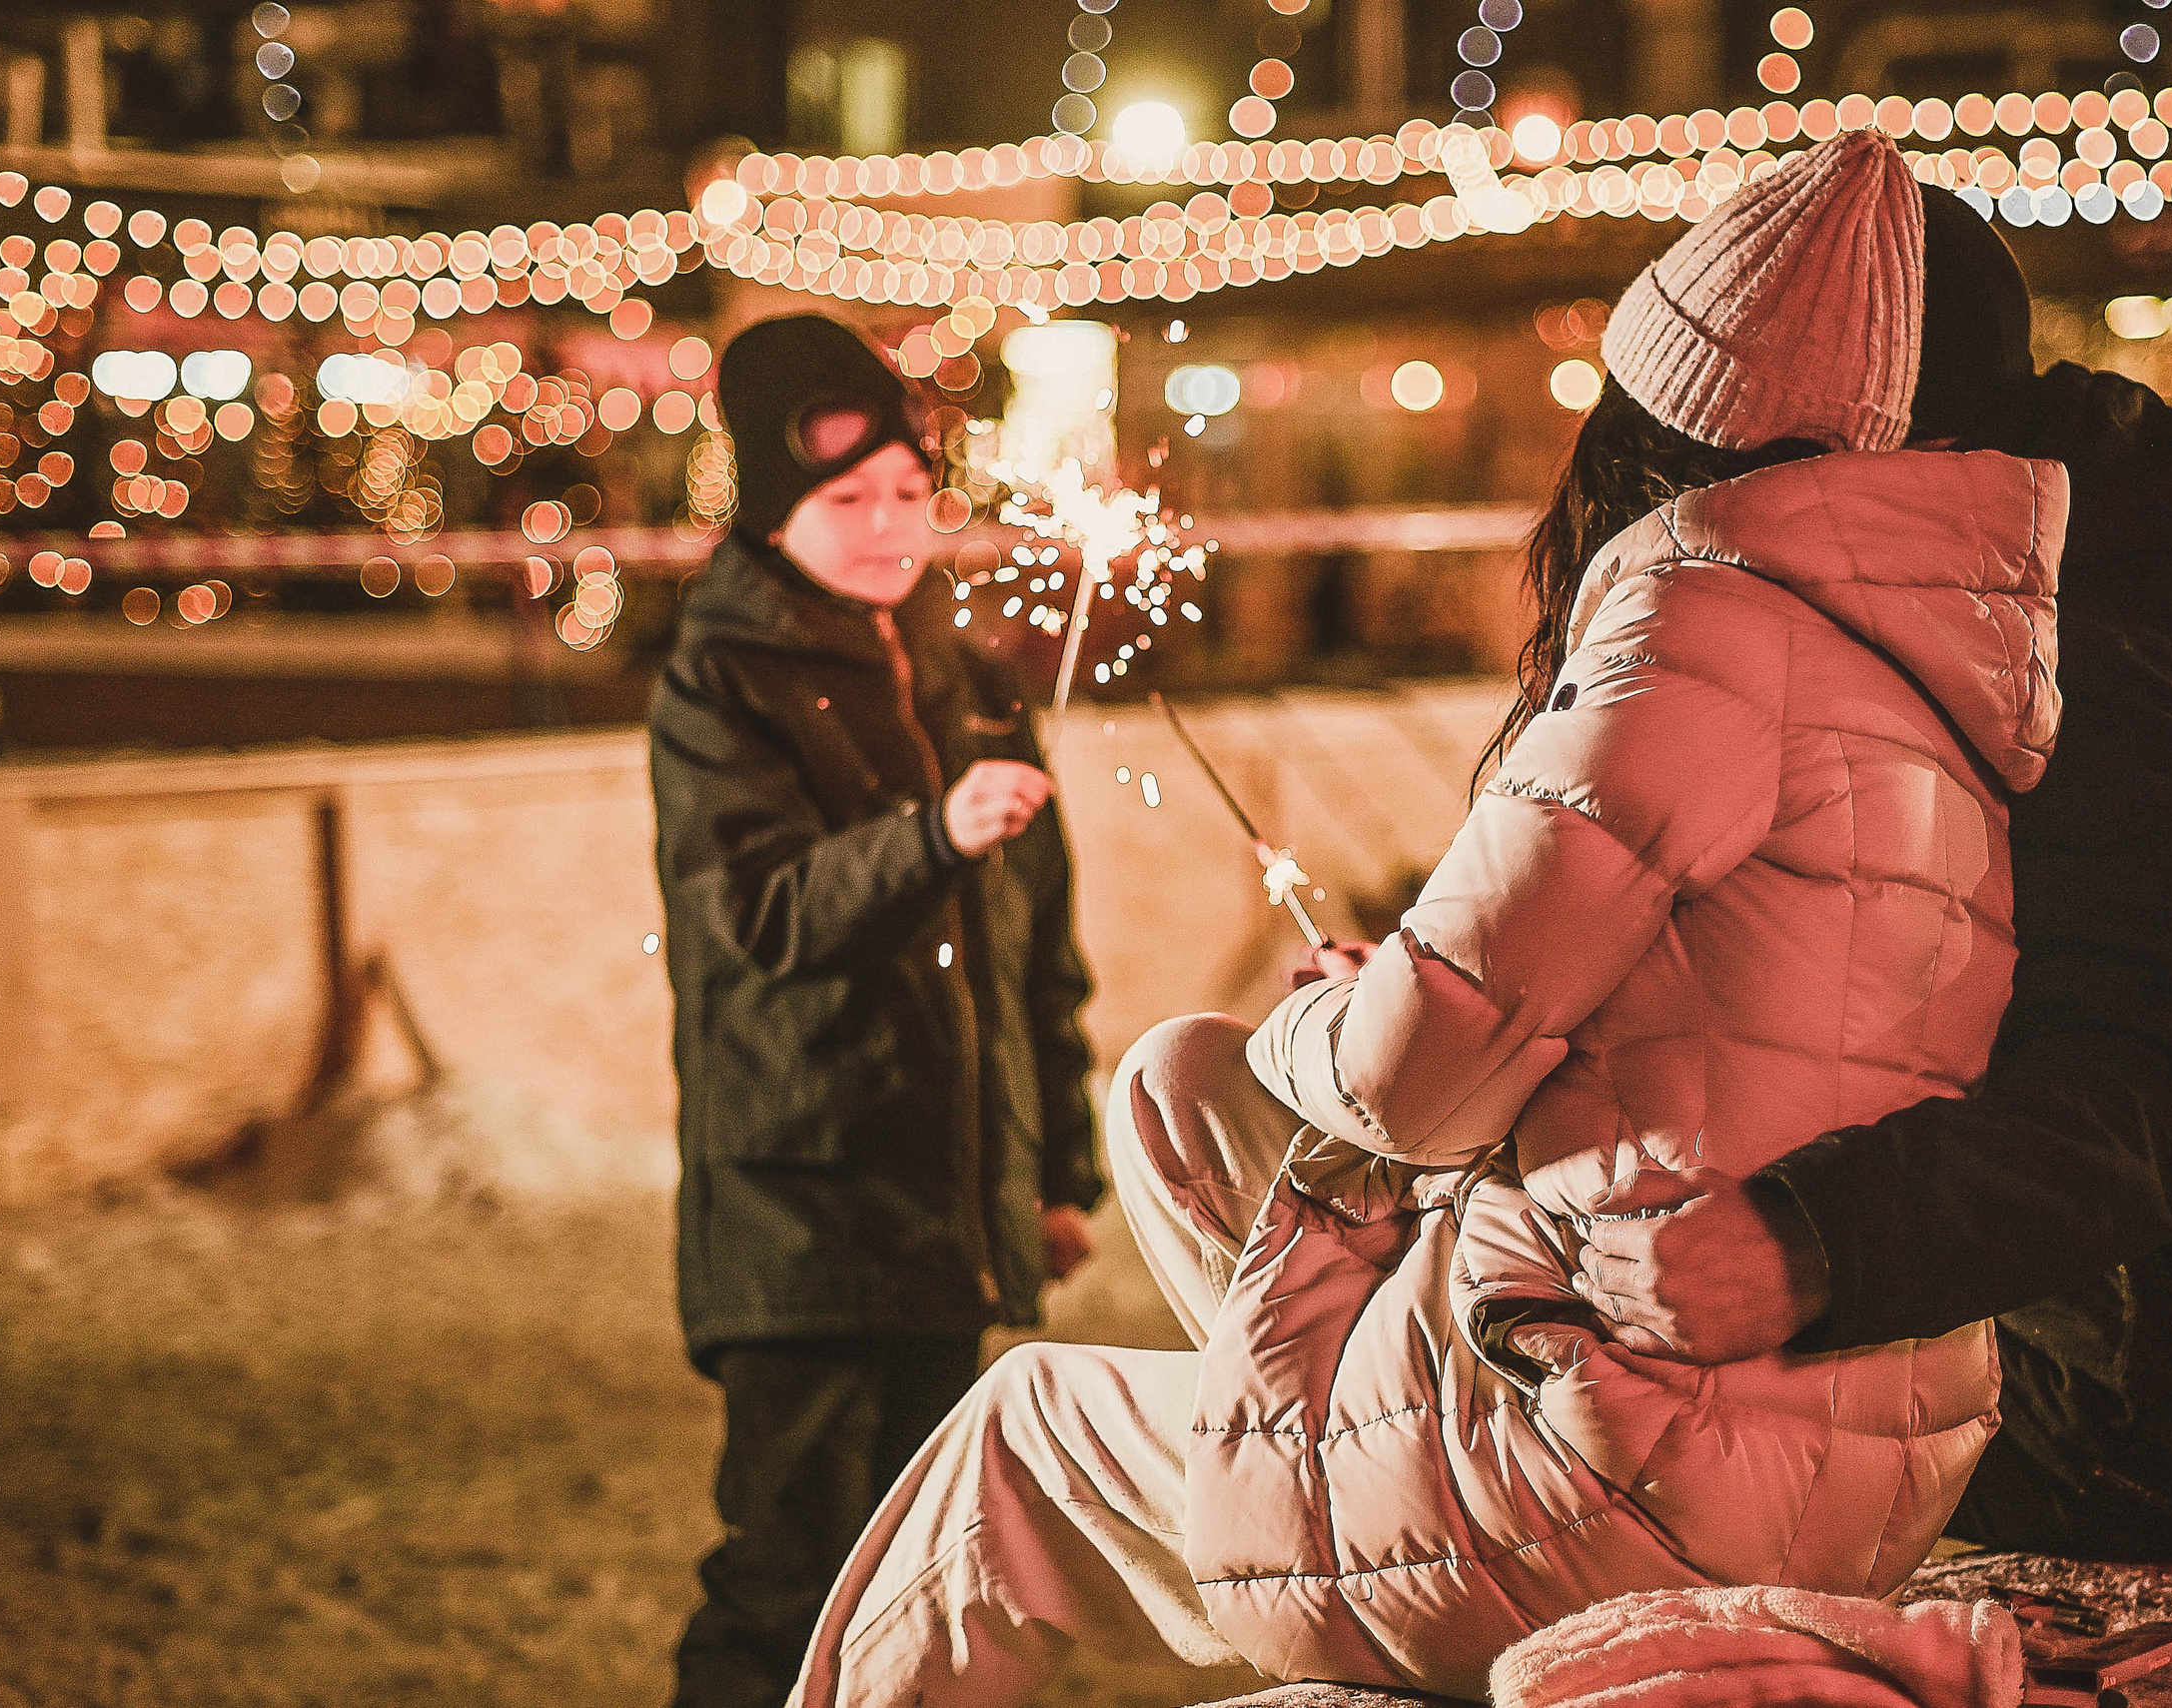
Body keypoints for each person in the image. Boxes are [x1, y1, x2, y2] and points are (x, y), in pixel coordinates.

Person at [789, 134, 2064, 1708]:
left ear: (1668, 412)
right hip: (1859, 1470)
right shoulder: (1943, 675)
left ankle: (1298, 1497)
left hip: (1627, 1483)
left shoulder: (1705, 626)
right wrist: (1378, 1011)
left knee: (1020, 1421)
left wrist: (1341, 1014)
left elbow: (1410, 1084)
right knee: (1182, 1080)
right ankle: (1304, 1446)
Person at [1576, 185, 2172, 1567]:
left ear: (1855, 458)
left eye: (1716, 481)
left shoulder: (2104, 632)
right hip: (2103, 1306)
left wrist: (1807, 1248)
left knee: (1556, 1454)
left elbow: (2155, 1082)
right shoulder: (1974, 584)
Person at [648, 314, 1102, 1708]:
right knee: (790, 1570)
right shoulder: (719, 682)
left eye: (909, 495)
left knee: (918, 1569)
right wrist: (931, 838)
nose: (886, 526)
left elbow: (1037, 961)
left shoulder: (964, 682)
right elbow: (759, 914)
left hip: (938, 1205)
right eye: (847, 501)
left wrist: (1055, 1169)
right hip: (803, 1206)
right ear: (777, 508)